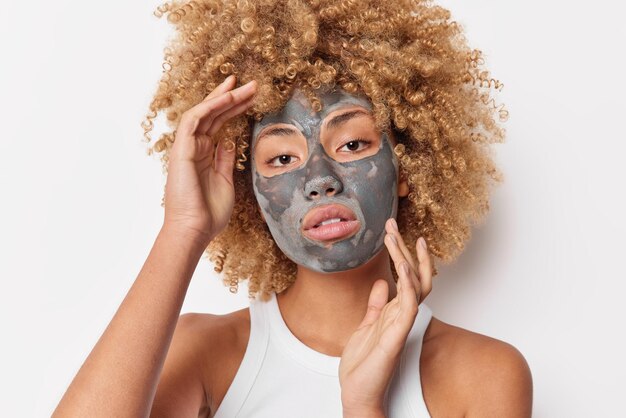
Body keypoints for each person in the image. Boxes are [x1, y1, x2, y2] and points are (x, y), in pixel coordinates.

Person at [53, 0, 532, 417]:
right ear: (252, 192)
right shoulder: (209, 354)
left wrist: (363, 407)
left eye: (350, 143)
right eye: (282, 158)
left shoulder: (484, 374)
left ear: (406, 167)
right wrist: (183, 228)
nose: (320, 179)